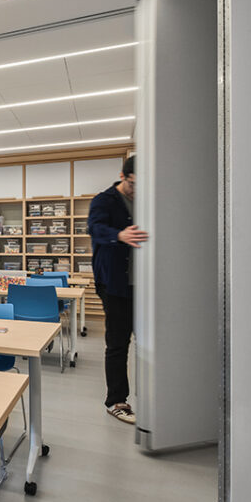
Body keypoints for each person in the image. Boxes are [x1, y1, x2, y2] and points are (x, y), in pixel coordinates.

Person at [87, 155, 149, 422]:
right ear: (123, 177)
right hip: (115, 283)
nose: (137, 191)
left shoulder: (149, 199)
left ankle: (155, 398)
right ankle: (117, 401)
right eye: (134, 184)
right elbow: (95, 228)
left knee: (150, 343)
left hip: (146, 283)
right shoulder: (104, 200)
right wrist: (118, 235)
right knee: (118, 342)